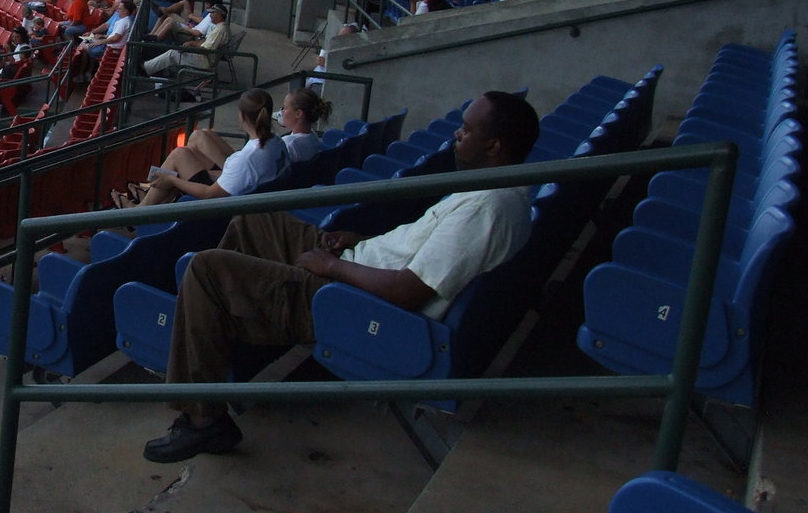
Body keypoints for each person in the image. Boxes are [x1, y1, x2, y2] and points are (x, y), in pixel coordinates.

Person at [141, 91, 539, 461]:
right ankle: (223, 330)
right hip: (356, 266)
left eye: (467, 129)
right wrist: (359, 241)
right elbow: (421, 254)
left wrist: (333, 267)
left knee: (207, 269)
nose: (457, 134)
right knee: (252, 219)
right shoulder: (498, 191)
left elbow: (407, 291)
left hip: (352, 299)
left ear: (494, 146)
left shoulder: (484, 210)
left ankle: (204, 420)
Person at [117, 88, 290, 209]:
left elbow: (209, 194)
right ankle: (155, 195)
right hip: (246, 194)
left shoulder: (247, 159)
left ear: (242, 116)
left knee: (179, 154)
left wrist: (172, 180)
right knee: (199, 136)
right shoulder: (277, 142)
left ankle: (140, 211)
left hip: (223, 207)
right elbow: (246, 175)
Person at [142, 5, 229, 78]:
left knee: (172, 53)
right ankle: (149, 67)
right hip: (204, 56)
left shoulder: (219, 30)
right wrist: (191, 44)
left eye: (212, 13)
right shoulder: (219, 26)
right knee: (174, 51)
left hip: (205, 60)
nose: (210, 16)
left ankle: (146, 69)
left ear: (219, 15)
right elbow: (205, 42)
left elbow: (206, 50)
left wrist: (190, 47)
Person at [279, 88, 328, 166]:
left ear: (298, 114)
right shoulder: (313, 135)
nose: (282, 112)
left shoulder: (288, 144)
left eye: (285, 108)